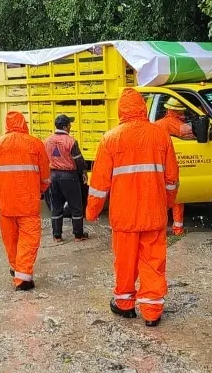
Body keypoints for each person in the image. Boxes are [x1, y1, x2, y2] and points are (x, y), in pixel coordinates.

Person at [85, 88, 180, 327]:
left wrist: (92, 211)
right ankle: (152, 312)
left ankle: (125, 305)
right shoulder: (160, 136)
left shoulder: (111, 138)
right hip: (153, 214)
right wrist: (166, 204)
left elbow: (99, 183)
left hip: (124, 217)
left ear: (121, 110)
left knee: (125, 263)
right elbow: (172, 179)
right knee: (153, 261)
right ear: (142, 108)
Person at [0, 111, 51, 291]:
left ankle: (16, 268)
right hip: (28, 204)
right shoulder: (36, 144)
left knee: (10, 240)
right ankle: (23, 277)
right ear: (24, 124)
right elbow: (46, 176)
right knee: (29, 240)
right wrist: (39, 191)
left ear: (7, 125)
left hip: (6, 204)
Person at [44, 114, 90, 242]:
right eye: (69, 124)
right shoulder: (71, 141)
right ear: (65, 127)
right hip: (69, 176)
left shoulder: (47, 141)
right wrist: (84, 172)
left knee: (56, 205)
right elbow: (79, 160)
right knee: (76, 205)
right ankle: (78, 235)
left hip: (52, 175)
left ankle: (57, 235)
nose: (71, 126)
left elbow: (43, 159)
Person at [153, 97, 192, 236]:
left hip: (157, 164)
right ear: (177, 111)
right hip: (171, 162)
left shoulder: (158, 124)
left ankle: (161, 229)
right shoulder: (173, 123)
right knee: (176, 197)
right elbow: (190, 132)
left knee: (160, 198)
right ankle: (178, 229)